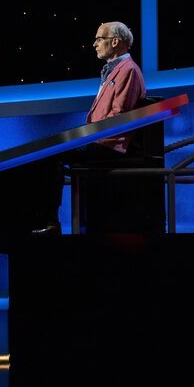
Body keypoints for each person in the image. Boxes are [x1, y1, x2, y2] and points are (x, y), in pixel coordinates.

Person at [33, 21, 146, 234]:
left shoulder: (128, 70)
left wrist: (85, 136)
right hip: (100, 139)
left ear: (114, 42)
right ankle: (43, 220)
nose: (94, 44)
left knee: (50, 154)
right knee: (47, 149)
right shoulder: (113, 70)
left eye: (99, 39)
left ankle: (50, 222)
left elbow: (118, 117)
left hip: (110, 144)